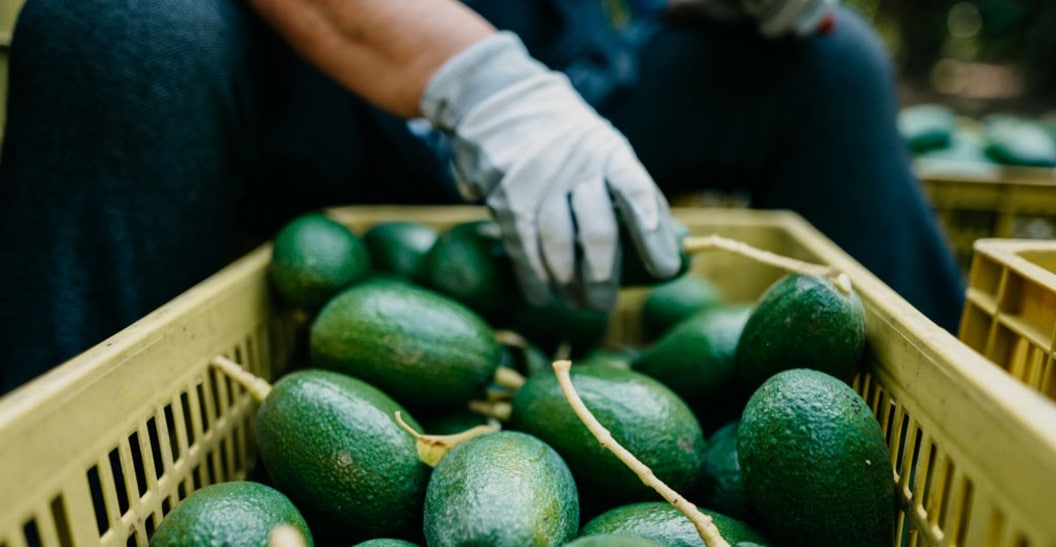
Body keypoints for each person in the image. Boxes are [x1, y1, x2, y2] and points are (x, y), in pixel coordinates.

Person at [0, 0, 965, 394]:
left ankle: (950, 466)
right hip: (305, 84)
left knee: (828, 68)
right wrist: (478, 80)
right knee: (115, 27)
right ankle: (63, 510)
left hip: (565, 71)